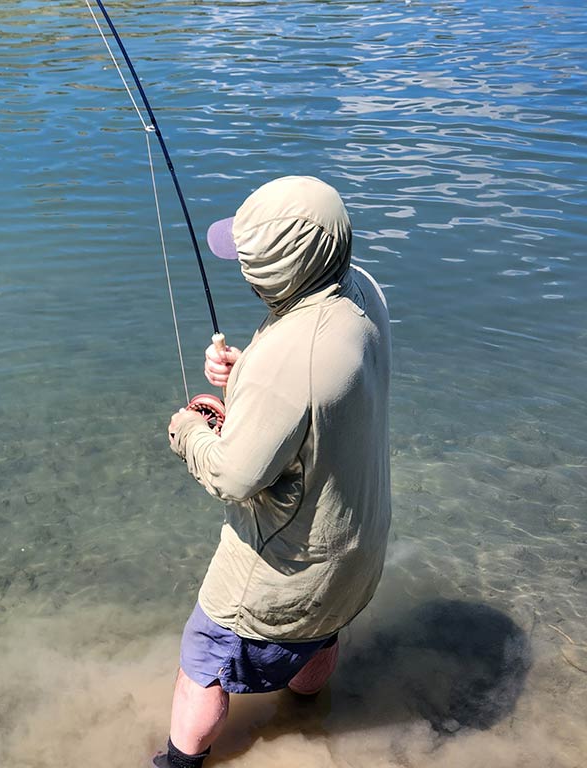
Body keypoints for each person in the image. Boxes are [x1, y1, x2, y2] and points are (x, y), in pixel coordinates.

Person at [154, 176, 392, 768]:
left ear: (278, 266)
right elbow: (315, 397)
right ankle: (307, 720)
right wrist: (245, 374)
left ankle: (178, 764)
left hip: (285, 566)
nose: (242, 267)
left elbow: (235, 478)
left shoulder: (290, 359)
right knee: (321, 630)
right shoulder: (361, 290)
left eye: (249, 257)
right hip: (354, 546)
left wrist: (190, 432)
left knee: (204, 659)